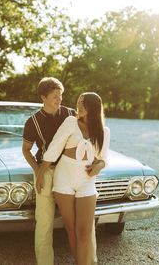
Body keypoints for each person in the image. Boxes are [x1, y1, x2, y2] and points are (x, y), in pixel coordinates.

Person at [22, 78, 98, 265]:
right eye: (55, 96)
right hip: (45, 170)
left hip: (71, 170)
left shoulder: (71, 114)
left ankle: (91, 260)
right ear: (43, 97)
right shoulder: (32, 122)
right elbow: (26, 149)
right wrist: (37, 170)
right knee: (45, 221)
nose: (60, 99)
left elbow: (90, 138)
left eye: (61, 95)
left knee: (85, 223)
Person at [36, 92, 110, 265]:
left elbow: (103, 158)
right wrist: (40, 175)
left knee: (84, 232)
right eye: (78, 102)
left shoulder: (104, 131)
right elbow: (53, 149)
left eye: (84, 103)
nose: (79, 106)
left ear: (94, 107)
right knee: (71, 229)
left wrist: (98, 166)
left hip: (87, 181)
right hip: (64, 179)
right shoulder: (70, 122)